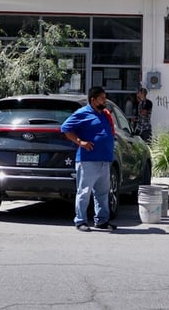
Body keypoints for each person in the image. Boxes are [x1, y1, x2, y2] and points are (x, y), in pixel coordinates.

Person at [61, 86, 117, 232]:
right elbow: (65, 128)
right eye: (102, 98)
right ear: (93, 100)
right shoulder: (82, 113)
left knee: (103, 193)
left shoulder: (104, 114)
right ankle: (80, 221)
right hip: (88, 160)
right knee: (84, 192)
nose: (105, 101)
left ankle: (102, 220)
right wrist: (80, 142)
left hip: (104, 160)